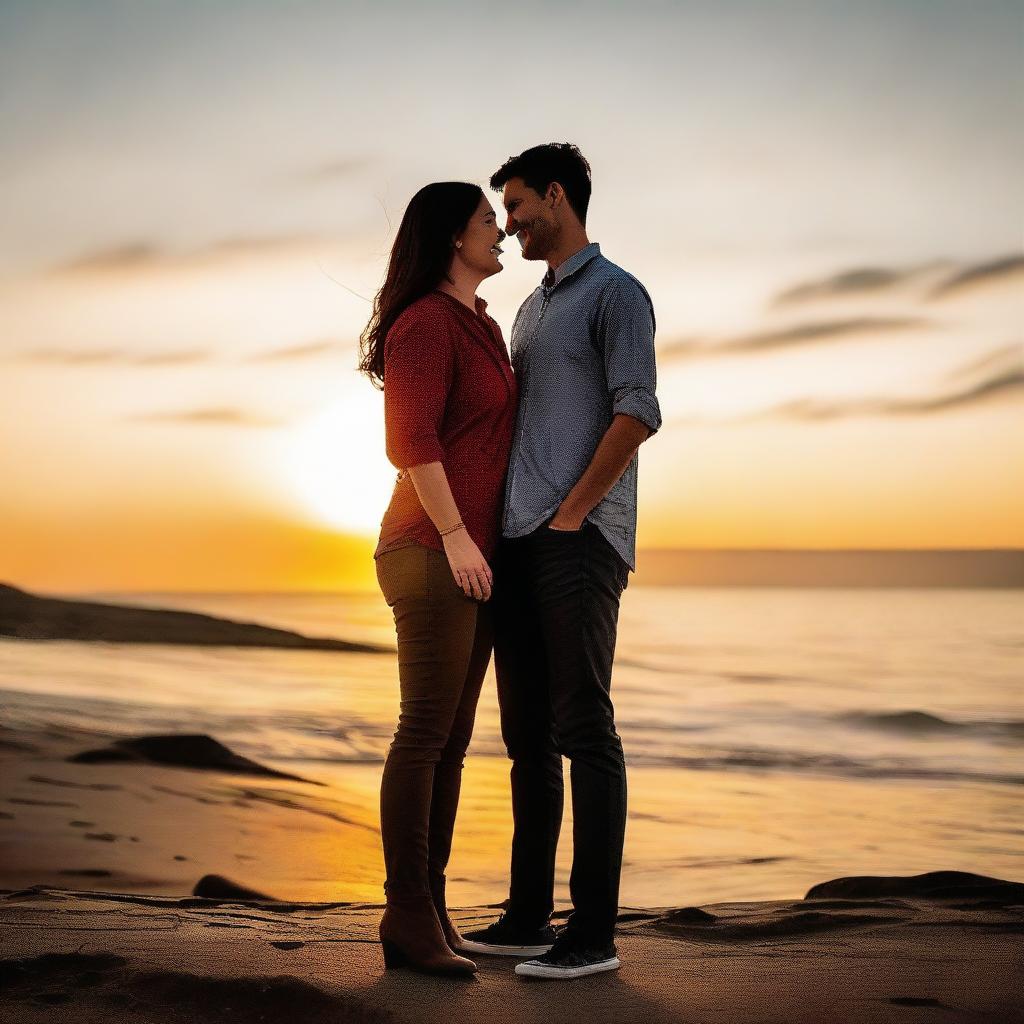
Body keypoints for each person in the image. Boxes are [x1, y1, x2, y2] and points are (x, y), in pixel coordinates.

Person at [459, 143, 662, 979]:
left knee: (586, 730)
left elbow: (639, 410)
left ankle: (594, 936)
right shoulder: (530, 313)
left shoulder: (618, 294)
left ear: (556, 195)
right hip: (515, 541)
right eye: (500, 214)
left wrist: (574, 514)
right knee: (527, 738)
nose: (507, 224)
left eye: (514, 207)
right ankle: (527, 918)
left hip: (578, 542)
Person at [358, 181, 517, 976]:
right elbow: (410, 441)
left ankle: (432, 907)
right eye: (491, 220)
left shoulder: (480, 323)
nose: (502, 231)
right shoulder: (424, 323)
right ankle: (406, 915)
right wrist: (457, 538)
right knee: (423, 735)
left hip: (472, 557)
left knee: (450, 744)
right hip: (429, 548)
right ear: (454, 236)